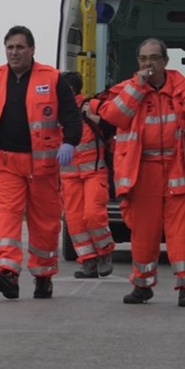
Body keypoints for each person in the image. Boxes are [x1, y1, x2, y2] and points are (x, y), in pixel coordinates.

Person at [0, 26, 81, 300]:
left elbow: (71, 116)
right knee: (8, 215)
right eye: (10, 47)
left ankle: (43, 276)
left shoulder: (51, 79)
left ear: (32, 49)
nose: (14, 52)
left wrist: (69, 142)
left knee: (46, 223)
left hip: (43, 167)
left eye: (19, 47)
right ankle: (8, 272)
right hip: (4, 164)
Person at [94, 38, 185, 304]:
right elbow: (113, 117)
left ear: (165, 61)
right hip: (143, 170)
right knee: (144, 232)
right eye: (143, 59)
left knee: (181, 231)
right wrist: (138, 86)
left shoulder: (183, 88)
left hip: (176, 168)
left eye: (153, 58)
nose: (148, 64)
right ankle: (143, 285)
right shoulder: (129, 89)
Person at [59, 71, 115, 278]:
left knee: (93, 215)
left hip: (94, 172)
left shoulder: (89, 106)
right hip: (69, 176)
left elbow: (111, 127)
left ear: (70, 90)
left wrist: (92, 118)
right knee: (74, 221)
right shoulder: (56, 112)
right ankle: (88, 261)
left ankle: (105, 252)